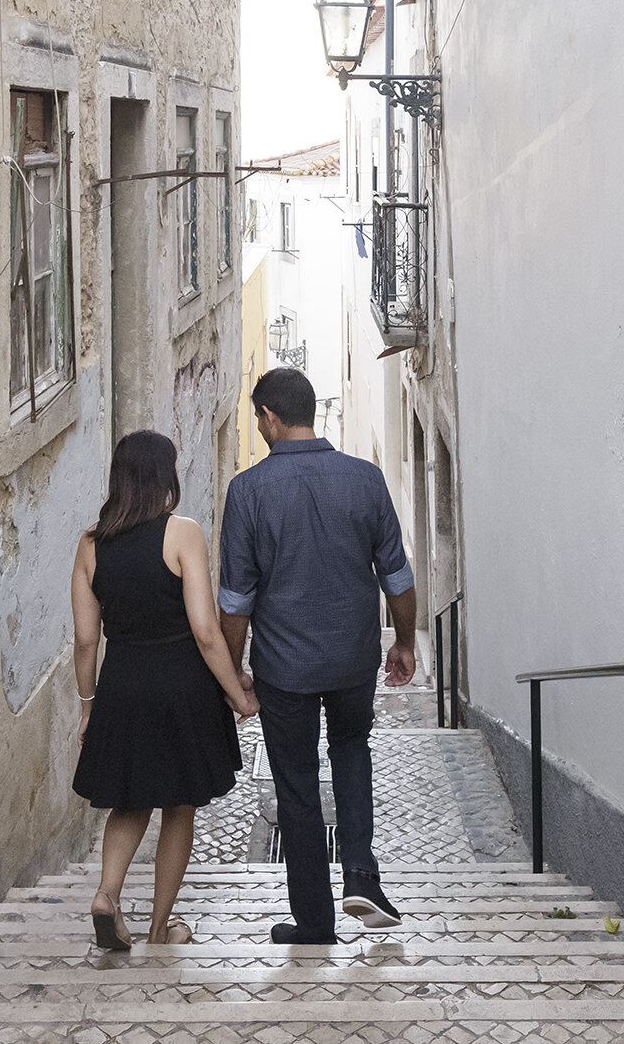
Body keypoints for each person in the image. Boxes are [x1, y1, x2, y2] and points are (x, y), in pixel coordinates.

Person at [218, 367, 418, 944]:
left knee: (297, 783)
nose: (259, 427)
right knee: (352, 749)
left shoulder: (249, 492)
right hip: (354, 658)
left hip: (284, 670)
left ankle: (314, 922)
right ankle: (360, 873)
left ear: (272, 419)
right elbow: (398, 578)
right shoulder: (365, 480)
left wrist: (234, 673)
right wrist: (402, 642)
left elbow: (235, 602)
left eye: (259, 418)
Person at [72, 430, 258, 950]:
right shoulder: (183, 533)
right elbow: (204, 629)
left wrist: (88, 706)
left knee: (128, 801)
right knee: (180, 803)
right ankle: (159, 927)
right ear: (166, 478)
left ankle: (107, 896)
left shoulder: (91, 545)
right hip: (182, 686)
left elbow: (86, 640)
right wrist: (238, 695)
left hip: (123, 683)